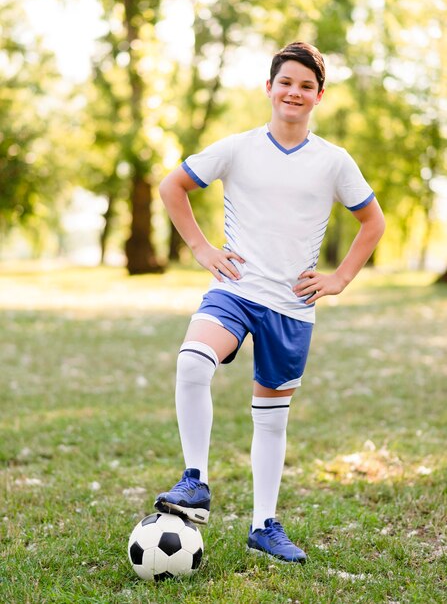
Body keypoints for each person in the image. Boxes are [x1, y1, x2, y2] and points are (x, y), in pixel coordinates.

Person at [154, 41, 386, 564]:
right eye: (286, 82)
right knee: (192, 361)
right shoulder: (236, 148)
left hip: (291, 305)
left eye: (306, 86)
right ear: (269, 88)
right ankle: (195, 480)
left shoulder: (334, 162)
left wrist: (341, 278)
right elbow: (174, 186)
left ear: (319, 96)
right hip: (235, 289)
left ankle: (264, 526)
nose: (294, 92)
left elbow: (373, 222)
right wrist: (201, 247)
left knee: (271, 418)